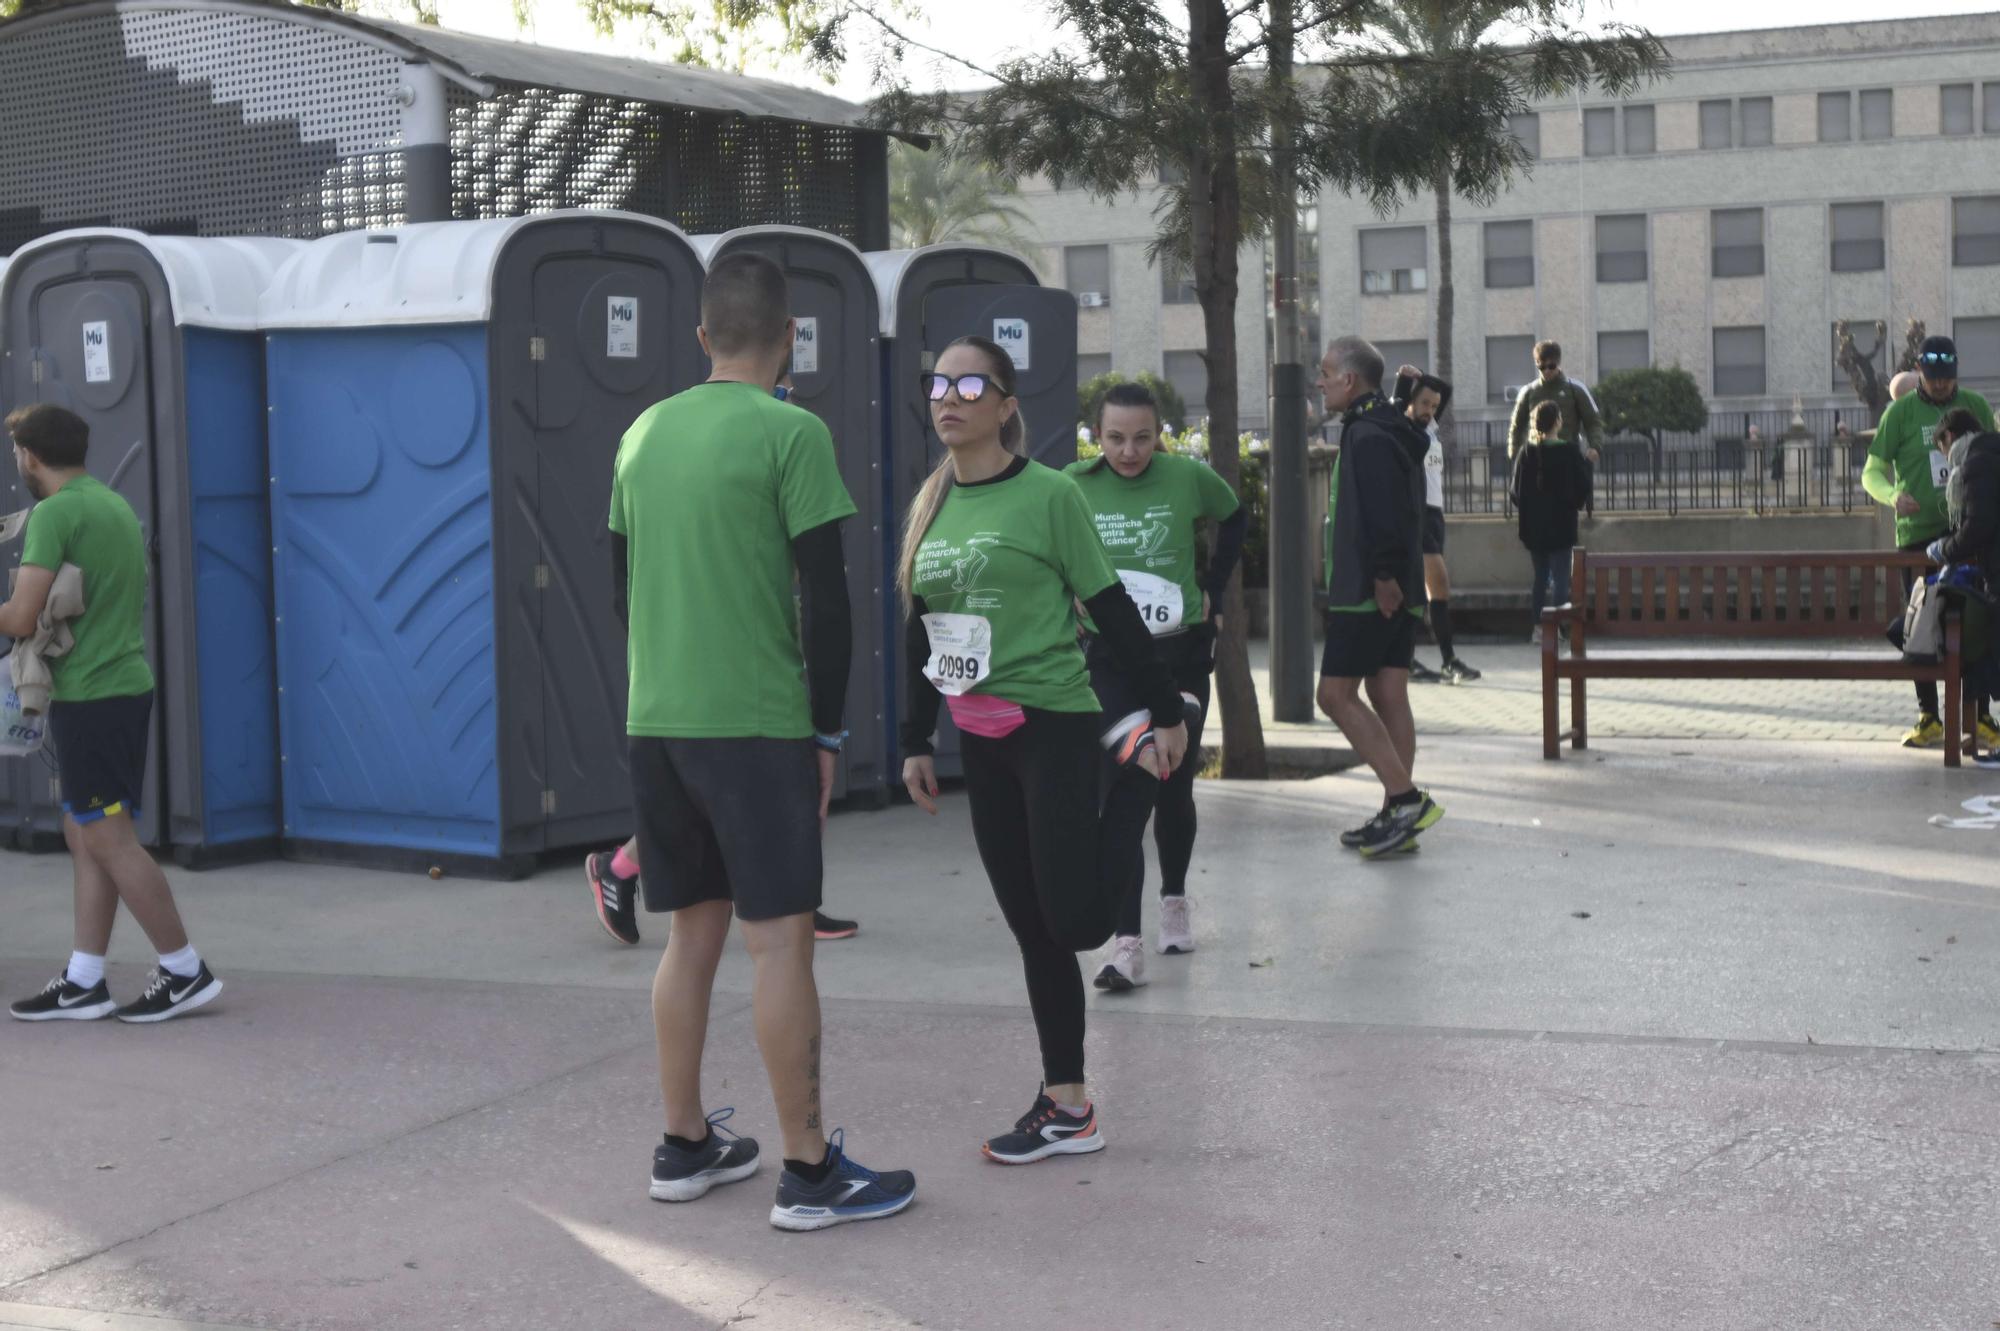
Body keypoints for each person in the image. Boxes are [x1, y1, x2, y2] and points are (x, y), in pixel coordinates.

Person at [611, 252, 912, 1230]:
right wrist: (827, 730)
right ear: (789, 339)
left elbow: (624, 589)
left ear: (702, 337)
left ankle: (682, 1140)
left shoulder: (642, 432)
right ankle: (809, 1170)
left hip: (658, 719)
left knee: (688, 932)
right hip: (757, 724)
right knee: (779, 941)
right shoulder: (793, 430)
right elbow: (827, 602)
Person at [900, 337, 1187, 1163]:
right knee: (1033, 929)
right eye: (939, 383)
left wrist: (1165, 711)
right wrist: (918, 736)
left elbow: (1108, 604)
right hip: (978, 739)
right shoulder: (933, 501)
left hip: (1052, 723)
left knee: (1078, 918)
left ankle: (1135, 776)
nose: (948, 397)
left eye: (968, 384)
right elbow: (924, 627)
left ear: (1006, 403)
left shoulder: (1049, 494)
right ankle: (1068, 1104)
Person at [2, 404, 223, 1024]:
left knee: (108, 837)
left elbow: (21, 617)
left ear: (29, 455)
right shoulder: (110, 503)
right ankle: (85, 979)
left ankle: (184, 970)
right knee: (84, 833)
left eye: (17, 452)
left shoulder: (54, 512)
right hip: (119, 685)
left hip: (93, 695)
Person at [1064, 381, 1246, 985]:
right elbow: (1050, 553)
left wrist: (1215, 594)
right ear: (1097, 435)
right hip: (1109, 662)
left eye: (1143, 437)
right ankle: (1126, 945)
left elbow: (1234, 516)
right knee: (1123, 787)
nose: (1129, 451)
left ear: (1159, 434)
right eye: (1115, 438)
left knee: (1172, 788)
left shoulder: (1184, 477)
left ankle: (1173, 898)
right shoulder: (1073, 485)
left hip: (1181, 657)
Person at [1315, 336, 1443, 859]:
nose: (1320, 382)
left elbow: (1387, 512)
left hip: (1368, 590)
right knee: (1388, 693)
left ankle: (1405, 798)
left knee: (1334, 696)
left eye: (1326, 373)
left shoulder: (1367, 434)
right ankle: (1400, 817)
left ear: (1349, 380)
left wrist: (1383, 576)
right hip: (1398, 586)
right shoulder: (1389, 424)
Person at [1863, 335, 1999, 750]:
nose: (1941, 385)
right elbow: (1872, 470)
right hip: (1918, 536)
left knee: (1975, 621)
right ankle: (1929, 716)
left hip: (1968, 532)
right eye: (1933, 377)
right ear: (1918, 371)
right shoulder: (1900, 413)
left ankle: (1980, 718)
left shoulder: (1975, 406)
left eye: (1948, 378)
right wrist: (1892, 497)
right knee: (1920, 625)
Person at [1393, 364, 1482, 685]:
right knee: (1430, 585)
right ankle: (1422, 660)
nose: (1430, 410)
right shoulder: (1403, 427)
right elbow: (1395, 407)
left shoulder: (1429, 428)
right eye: (1424, 403)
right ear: (1411, 403)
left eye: (1434, 405)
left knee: (1432, 590)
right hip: (1415, 516)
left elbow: (1446, 391)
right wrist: (1405, 381)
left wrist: (1427, 383)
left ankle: (1439, 661)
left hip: (1435, 515)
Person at [1923, 408, 1999, 756]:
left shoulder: (1975, 463)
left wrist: (1945, 549)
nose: (1945, 459)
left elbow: (1978, 525)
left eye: (1942, 449)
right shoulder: (1992, 452)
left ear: (1949, 438)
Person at [1512, 401, 1592, 646]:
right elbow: (1583, 486)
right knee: (1560, 579)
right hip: (1562, 526)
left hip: (1534, 529)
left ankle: (1538, 629)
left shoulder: (1526, 452)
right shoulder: (1569, 451)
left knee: (1540, 578)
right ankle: (1557, 627)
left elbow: (1515, 492)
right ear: (1558, 421)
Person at [1506, 340, 1601, 464]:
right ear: (1536, 364)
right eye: (1541, 367)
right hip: (1537, 457)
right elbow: (1516, 426)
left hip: (1567, 456)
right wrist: (1514, 453)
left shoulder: (1575, 389)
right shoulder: (1528, 391)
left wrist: (1595, 446)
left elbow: (1593, 421)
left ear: (1558, 363)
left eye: (1551, 366)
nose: (1546, 371)